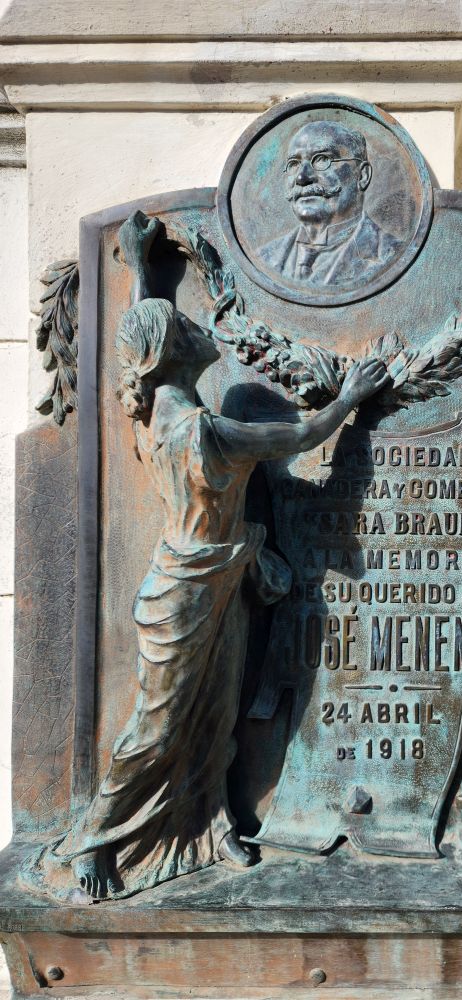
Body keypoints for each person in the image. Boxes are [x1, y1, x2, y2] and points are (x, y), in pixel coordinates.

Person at [26, 211, 389, 902]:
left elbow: (141, 340)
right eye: (186, 326)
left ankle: (213, 820)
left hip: (220, 580)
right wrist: (350, 397)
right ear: (173, 353)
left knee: (217, 714)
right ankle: (93, 840)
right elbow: (303, 433)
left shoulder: (149, 410)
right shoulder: (208, 431)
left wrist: (141, 270)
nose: (199, 328)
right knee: (158, 725)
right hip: (186, 592)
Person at [259, 120, 401, 286]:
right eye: (294, 164)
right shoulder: (264, 258)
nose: (302, 177)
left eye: (322, 159)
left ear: (362, 175)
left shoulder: (393, 255)